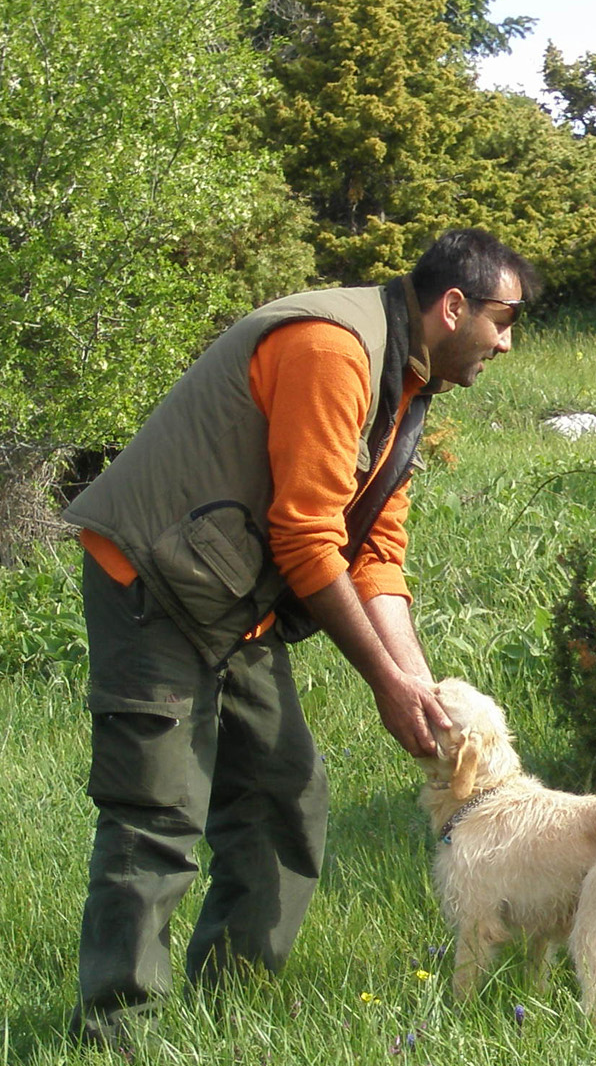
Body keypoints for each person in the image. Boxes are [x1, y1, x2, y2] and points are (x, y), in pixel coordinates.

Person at [62, 228, 539, 1045]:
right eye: (502, 318)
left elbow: (377, 554)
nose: (506, 339)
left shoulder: (408, 384)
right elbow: (307, 539)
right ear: (454, 305)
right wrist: (385, 686)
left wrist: (418, 681)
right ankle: (117, 1036)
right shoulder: (336, 347)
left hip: (225, 596)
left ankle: (224, 1010)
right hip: (148, 580)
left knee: (283, 797)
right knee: (158, 814)